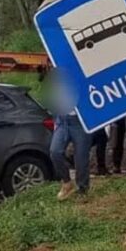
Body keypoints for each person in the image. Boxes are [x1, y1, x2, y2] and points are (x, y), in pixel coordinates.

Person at [46, 69, 92, 200]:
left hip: (80, 121)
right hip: (62, 120)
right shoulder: (58, 75)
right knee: (55, 151)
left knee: (81, 159)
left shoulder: (81, 73)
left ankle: (83, 189)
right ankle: (66, 182)